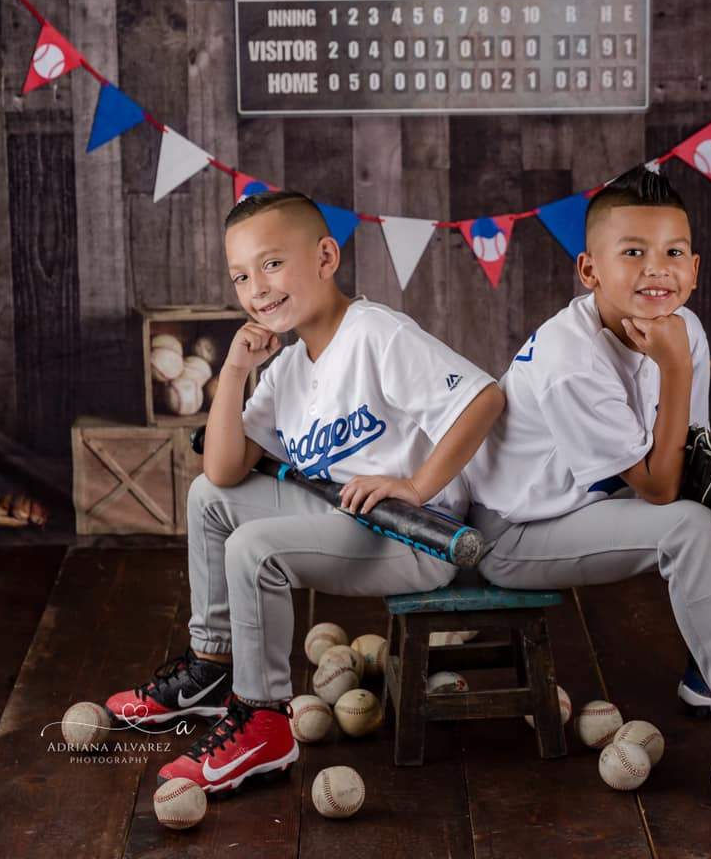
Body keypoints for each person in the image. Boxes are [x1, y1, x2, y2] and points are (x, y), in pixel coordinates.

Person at [464, 165, 711, 831]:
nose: (658, 270)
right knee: (687, 524)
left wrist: (687, 374)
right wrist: (673, 368)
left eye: (673, 252)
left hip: (590, 497)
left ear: (696, 266)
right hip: (518, 531)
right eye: (633, 253)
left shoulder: (682, 328)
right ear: (590, 272)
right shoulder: (574, 361)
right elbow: (659, 489)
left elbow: (691, 454)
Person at [104, 190, 505, 794]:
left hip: (414, 538)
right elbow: (223, 471)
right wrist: (236, 371)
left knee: (254, 548)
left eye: (271, 263)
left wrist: (417, 484)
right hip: (342, 517)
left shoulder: (375, 332)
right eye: (241, 275)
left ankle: (264, 720)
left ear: (325, 257)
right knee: (207, 502)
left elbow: (484, 398)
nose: (257, 288)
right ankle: (212, 671)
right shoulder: (288, 366)